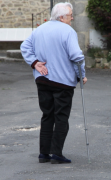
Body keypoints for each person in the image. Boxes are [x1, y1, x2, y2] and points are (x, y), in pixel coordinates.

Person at [20, 2, 87, 164]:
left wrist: (35, 63)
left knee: (47, 115)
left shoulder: (40, 29)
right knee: (61, 118)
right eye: (70, 15)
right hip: (63, 82)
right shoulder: (68, 31)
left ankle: (44, 154)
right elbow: (77, 56)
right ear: (62, 17)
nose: (72, 18)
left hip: (42, 80)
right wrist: (81, 76)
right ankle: (57, 153)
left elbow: (24, 46)